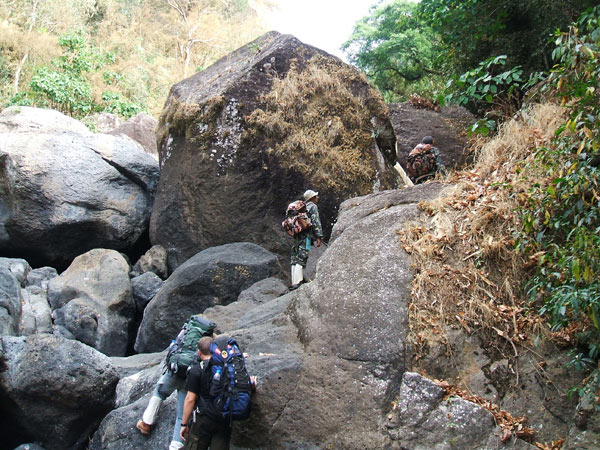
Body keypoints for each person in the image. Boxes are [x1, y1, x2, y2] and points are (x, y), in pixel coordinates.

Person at [136, 316, 216, 450]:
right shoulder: (210, 340)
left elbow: (174, 347)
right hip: (189, 378)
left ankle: (146, 422)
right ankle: (175, 445)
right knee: (182, 414)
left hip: (174, 370)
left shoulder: (186, 331)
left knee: (159, 393)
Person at [179, 336, 257, 450]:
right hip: (224, 419)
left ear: (199, 353)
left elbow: (190, 399)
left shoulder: (197, 370)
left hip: (203, 420)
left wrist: (184, 424)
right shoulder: (227, 367)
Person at [290, 189, 323, 289]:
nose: (317, 198)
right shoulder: (313, 206)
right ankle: (298, 282)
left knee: (295, 258)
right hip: (306, 236)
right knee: (302, 257)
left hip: (297, 235)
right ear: (312, 198)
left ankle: (293, 282)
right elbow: (315, 221)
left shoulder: (300, 208)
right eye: (316, 196)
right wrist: (319, 236)